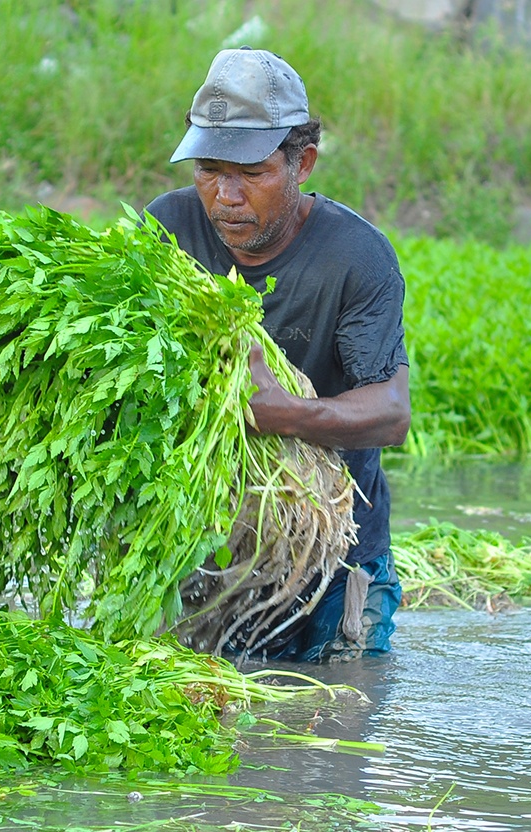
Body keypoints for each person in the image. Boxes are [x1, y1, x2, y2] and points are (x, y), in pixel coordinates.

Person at [144, 46, 411, 662]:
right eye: (209, 170)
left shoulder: (357, 257)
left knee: (338, 720)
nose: (226, 196)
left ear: (303, 162)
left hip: (334, 556)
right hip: (204, 549)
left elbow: (392, 413)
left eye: (252, 173)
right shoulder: (167, 232)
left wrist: (281, 411)